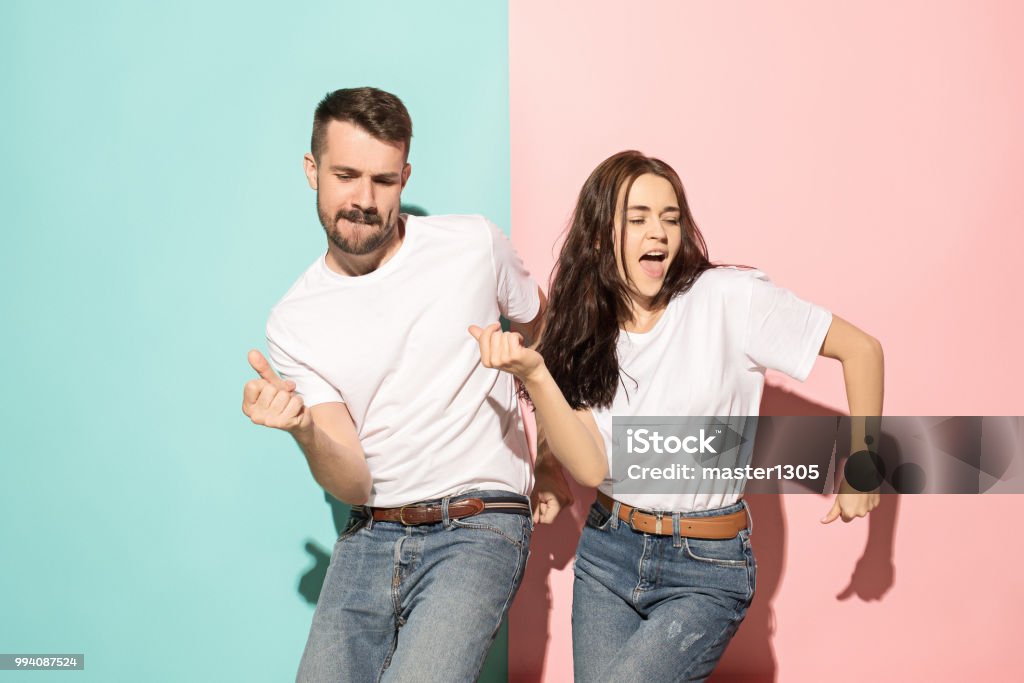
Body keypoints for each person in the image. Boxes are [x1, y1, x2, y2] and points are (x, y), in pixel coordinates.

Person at [470, 150, 883, 682]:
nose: (659, 234)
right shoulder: (588, 330)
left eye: (669, 219)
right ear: (600, 237)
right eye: (638, 219)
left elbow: (864, 350)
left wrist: (866, 460)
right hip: (607, 555)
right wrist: (535, 374)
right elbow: (593, 468)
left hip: (706, 568)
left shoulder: (729, 299)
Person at [242, 87, 548, 683]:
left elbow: (541, 331)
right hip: (370, 535)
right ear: (312, 171)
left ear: (405, 175)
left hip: (480, 522)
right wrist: (304, 428)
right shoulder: (295, 319)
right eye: (346, 175)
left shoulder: (473, 245)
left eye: (383, 180)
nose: (363, 200)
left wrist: (555, 450)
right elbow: (352, 478)